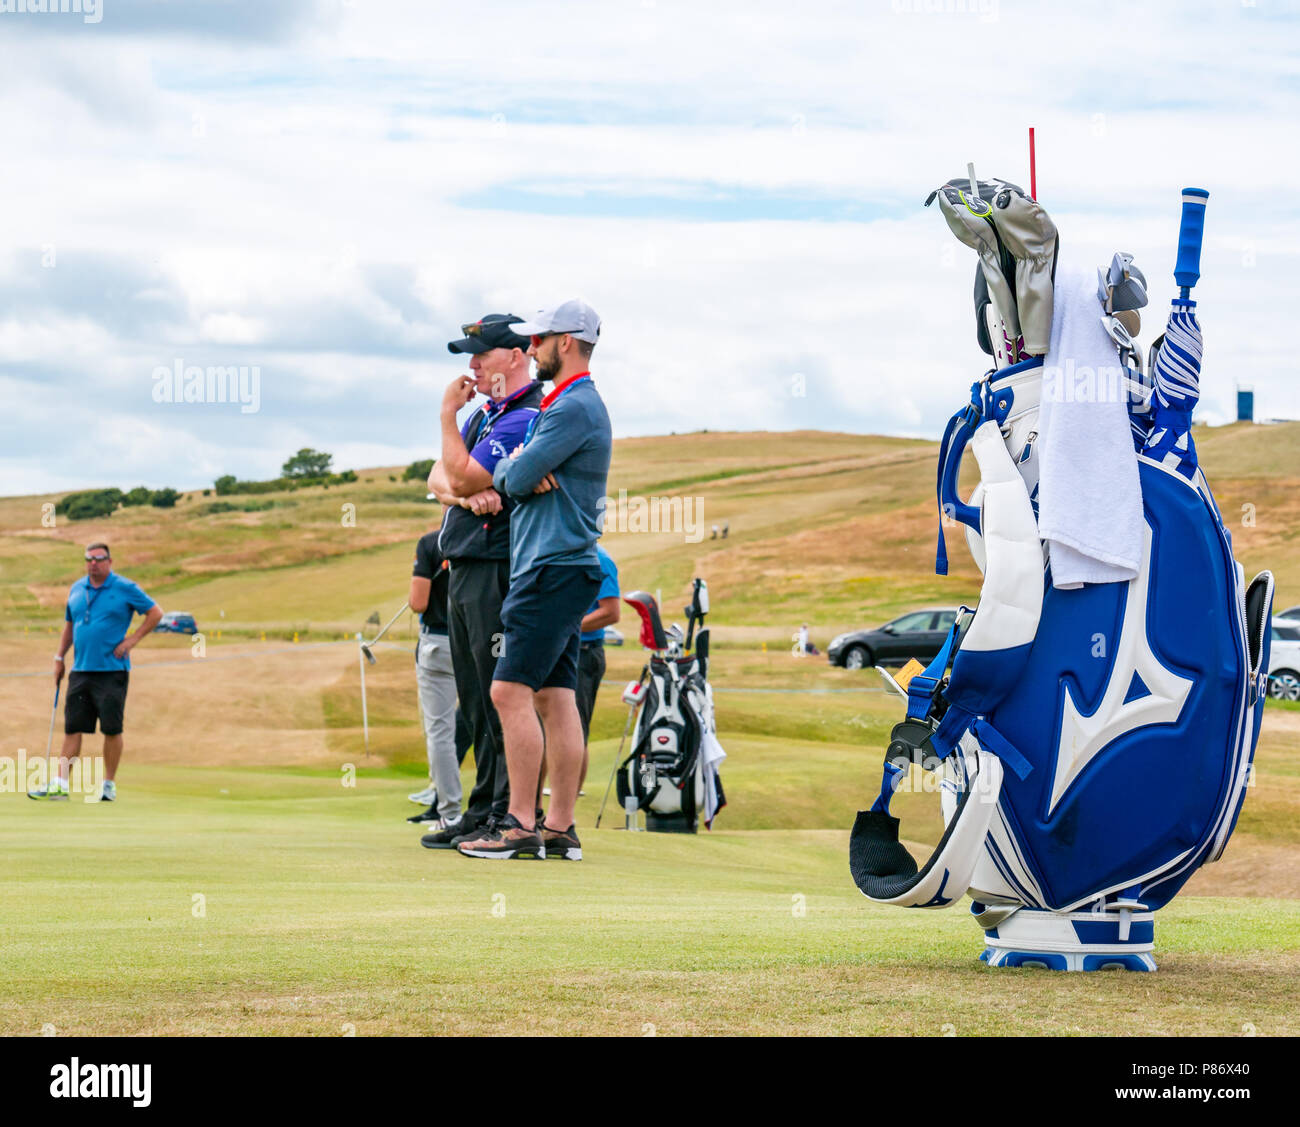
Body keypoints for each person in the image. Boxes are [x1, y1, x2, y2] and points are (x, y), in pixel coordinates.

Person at [455, 299, 611, 861]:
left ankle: (520, 823)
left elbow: (516, 475)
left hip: (549, 567)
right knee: (554, 695)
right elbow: (523, 473)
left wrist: (517, 467)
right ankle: (560, 828)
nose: (535, 348)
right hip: (566, 565)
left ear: (565, 342)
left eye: (542, 339)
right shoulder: (573, 403)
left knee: (508, 690)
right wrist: (522, 467)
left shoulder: (571, 406)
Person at [420, 314, 543, 850]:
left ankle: (504, 813)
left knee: (497, 695)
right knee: (473, 698)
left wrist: (448, 415)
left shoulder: (522, 416)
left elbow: (464, 472)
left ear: (515, 356)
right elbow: (437, 479)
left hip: (495, 564)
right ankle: (481, 809)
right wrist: (463, 496)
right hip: (466, 563)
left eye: (482, 353)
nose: (471, 365)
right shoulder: (488, 415)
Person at [30, 542, 162, 802]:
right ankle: (60, 784)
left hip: (112, 671)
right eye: (89, 559)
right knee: (73, 728)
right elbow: (71, 625)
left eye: (99, 559)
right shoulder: (78, 588)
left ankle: (108, 785)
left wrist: (131, 641)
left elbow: (155, 613)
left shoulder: (124, 588)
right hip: (81, 670)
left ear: (109, 562)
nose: (94, 563)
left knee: (111, 729)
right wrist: (59, 657)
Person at [540, 543, 619, 800]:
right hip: (562, 649)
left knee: (576, 727)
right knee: (550, 722)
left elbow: (610, 612)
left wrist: (565, 627)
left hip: (584, 652)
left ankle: (567, 805)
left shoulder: (600, 559)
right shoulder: (560, 553)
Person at [406, 521, 462, 829]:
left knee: (440, 731)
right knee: (488, 723)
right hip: (481, 641)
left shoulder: (430, 542)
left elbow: (418, 603)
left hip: (438, 643)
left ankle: (450, 811)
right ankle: (496, 808)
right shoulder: (493, 532)